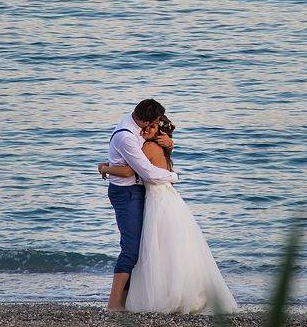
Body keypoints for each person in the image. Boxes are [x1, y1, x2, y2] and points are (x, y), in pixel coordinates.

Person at [99, 113, 237, 314]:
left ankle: (158, 295)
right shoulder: (160, 147)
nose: (146, 130)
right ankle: (172, 290)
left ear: (159, 131)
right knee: (169, 249)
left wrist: (104, 167)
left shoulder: (147, 147)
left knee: (156, 248)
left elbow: (129, 171)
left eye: (152, 127)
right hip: (167, 199)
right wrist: (170, 146)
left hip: (157, 200)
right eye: (147, 126)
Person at [103, 99, 178, 311]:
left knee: (143, 246)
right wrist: (175, 176)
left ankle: (126, 301)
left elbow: (134, 169)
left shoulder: (140, 131)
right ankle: (114, 304)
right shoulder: (127, 137)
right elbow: (146, 172)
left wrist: (169, 144)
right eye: (153, 122)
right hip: (127, 194)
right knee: (131, 249)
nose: (154, 125)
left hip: (140, 192)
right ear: (145, 121)